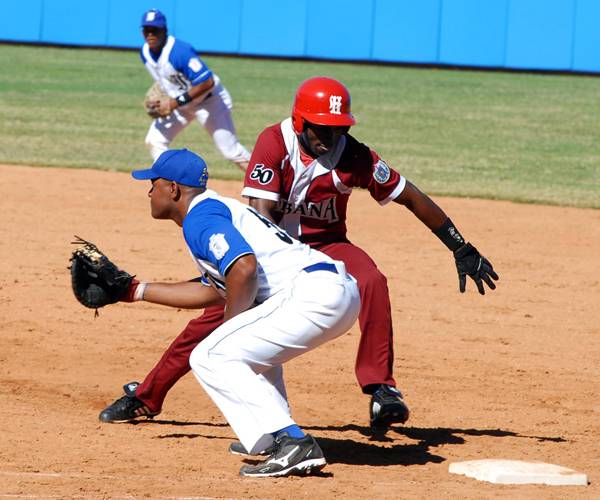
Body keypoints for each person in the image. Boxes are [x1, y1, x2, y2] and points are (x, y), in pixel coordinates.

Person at [99, 77, 498, 433]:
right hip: (272, 250)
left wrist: (459, 245)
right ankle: (147, 396)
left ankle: (381, 387)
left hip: (327, 245)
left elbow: (410, 196)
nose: (331, 135)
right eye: (323, 128)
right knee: (214, 319)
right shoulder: (275, 141)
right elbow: (260, 214)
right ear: (301, 122)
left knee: (371, 278)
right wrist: (258, 282)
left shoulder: (353, 155)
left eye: (339, 128)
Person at [124, 148, 360, 477]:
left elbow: (244, 269)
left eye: (154, 183)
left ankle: (293, 442)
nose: (150, 191)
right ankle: (269, 438)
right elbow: (216, 289)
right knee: (251, 354)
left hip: (313, 294)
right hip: (331, 292)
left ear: (174, 189)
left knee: (212, 354)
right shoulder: (213, 211)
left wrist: (228, 329)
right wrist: (135, 290)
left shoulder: (200, 219)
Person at [139, 9, 250, 171]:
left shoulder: (180, 52)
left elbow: (207, 82)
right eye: (146, 30)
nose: (150, 34)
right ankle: (172, 181)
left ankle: (268, 185)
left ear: (164, 30)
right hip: (182, 104)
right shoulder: (145, 53)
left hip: (210, 102)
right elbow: (167, 80)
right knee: (155, 140)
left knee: (231, 151)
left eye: (154, 29)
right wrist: (160, 100)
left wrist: (174, 103)